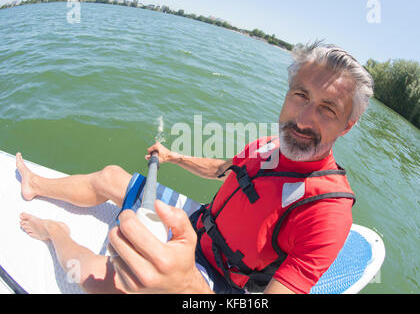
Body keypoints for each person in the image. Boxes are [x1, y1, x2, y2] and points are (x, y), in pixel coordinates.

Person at [16, 41, 374, 294]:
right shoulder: (269, 144)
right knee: (112, 176)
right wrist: (174, 158)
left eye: (328, 109)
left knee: (104, 282)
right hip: (197, 225)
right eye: (301, 96)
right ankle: (37, 185)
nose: (304, 119)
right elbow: (223, 168)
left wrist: (185, 286)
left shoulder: (327, 213)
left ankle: (55, 233)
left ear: (347, 125)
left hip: (215, 280)